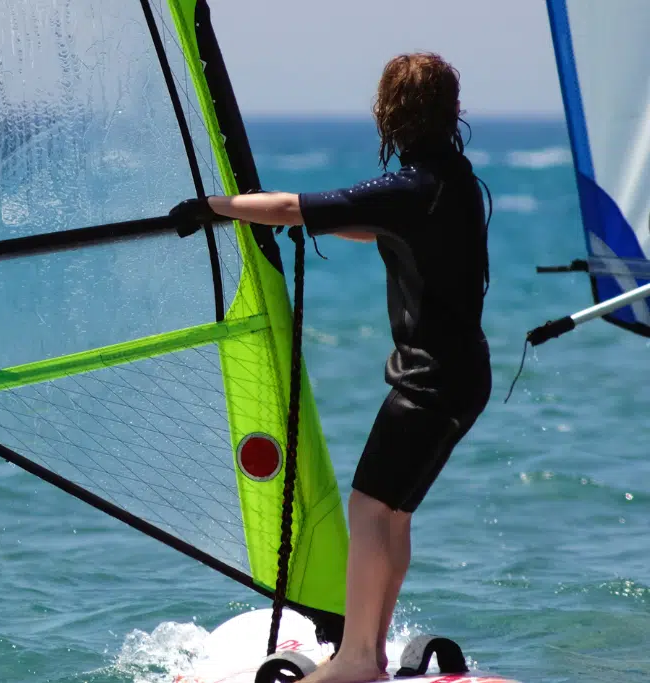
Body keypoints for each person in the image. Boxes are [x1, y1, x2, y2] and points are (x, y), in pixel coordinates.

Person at [170, 52, 492, 683]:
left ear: (390, 113)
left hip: (429, 384)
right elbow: (372, 224)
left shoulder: (412, 187)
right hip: (462, 377)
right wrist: (307, 214)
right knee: (390, 512)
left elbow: (297, 207)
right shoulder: (451, 181)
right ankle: (365, 648)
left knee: (370, 509)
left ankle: (357, 659)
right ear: (452, 112)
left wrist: (216, 205)